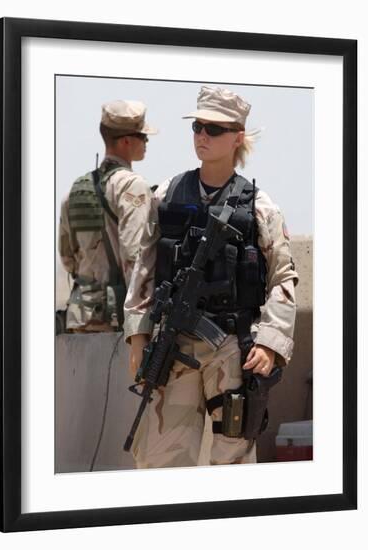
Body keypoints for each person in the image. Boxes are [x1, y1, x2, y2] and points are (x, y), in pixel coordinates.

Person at [124, 86, 298, 468]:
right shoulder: (168, 193)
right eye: (198, 126)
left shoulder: (259, 206)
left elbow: (282, 278)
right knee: (161, 461)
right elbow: (145, 265)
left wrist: (270, 343)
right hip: (174, 348)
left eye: (214, 129)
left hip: (233, 349)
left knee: (231, 460)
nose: (202, 135)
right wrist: (138, 335)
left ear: (238, 137)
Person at [58, 99, 157, 332]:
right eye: (143, 136)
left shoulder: (74, 191)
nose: (147, 142)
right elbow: (136, 256)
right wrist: (141, 323)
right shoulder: (131, 186)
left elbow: (67, 258)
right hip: (117, 320)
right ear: (126, 141)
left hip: (80, 317)